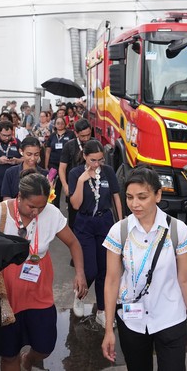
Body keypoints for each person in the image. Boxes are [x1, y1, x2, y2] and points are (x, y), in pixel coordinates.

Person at [101, 165, 187, 370]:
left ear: (158, 195)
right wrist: (108, 330)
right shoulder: (119, 232)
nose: (134, 204)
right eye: (130, 197)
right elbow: (112, 281)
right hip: (132, 323)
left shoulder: (177, 230)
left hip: (170, 318)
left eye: (142, 197)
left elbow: (186, 279)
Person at [0, 170, 87, 371]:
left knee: (45, 346)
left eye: (41, 207)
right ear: (19, 196)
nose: (36, 212)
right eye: (31, 206)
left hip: (38, 290)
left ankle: (30, 360)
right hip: (6, 293)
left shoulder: (51, 213)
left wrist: (80, 273)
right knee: (8, 354)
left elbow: (74, 243)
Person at [68, 140, 122, 327]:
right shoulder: (75, 174)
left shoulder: (107, 172)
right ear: (84, 156)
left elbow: (116, 197)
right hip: (84, 224)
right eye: (93, 160)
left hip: (105, 222)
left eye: (100, 159)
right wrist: (83, 180)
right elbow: (75, 204)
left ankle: (102, 310)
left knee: (104, 270)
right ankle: (80, 294)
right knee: (89, 269)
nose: (97, 164)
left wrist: (121, 223)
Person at [59, 119, 93, 228]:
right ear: (76, 133)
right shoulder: (69, 146)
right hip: (73, 187)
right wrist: (65, 186)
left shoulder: (94, 144)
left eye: (88, 135)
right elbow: (62, 168)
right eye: (83, 136)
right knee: (74, 220)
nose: (86, 138)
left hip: (91, 186)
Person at [44, 117, 75, 209]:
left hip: (68, 165)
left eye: (62, 123)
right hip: (54, 165)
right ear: (55, 125)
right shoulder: (52, 136)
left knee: (69, 185)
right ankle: (55, 207)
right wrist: (46, 165)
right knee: (54, 187)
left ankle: (69, 204)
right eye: (58, 123)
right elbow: (48, 151)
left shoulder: (70, 134)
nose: (60, 125)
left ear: (65, 124)